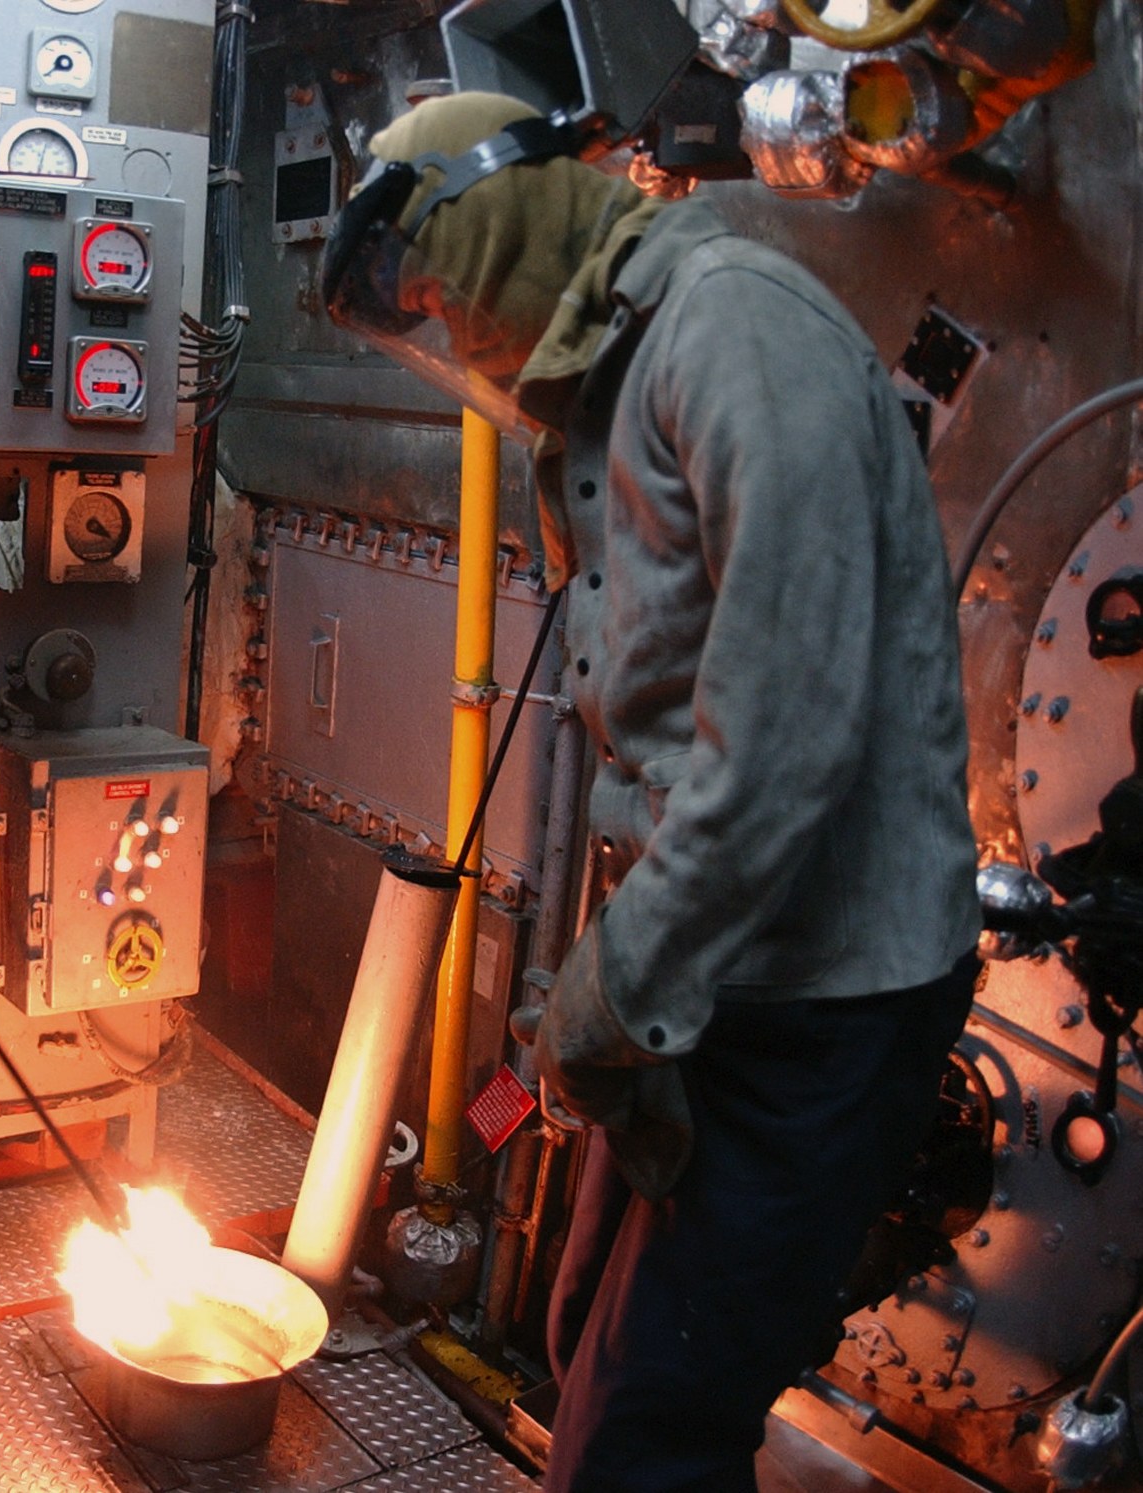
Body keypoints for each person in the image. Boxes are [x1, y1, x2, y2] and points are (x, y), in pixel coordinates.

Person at [324, 92, 981, 1491]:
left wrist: (613, 986)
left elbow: (786, 735)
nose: (447, 329)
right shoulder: (622, 367)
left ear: (497, 214)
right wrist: (626, 990)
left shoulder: (730, 326)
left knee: (648, 1435)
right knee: (586, 1343)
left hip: (822, 996)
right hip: (722, 963)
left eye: (442, 288)